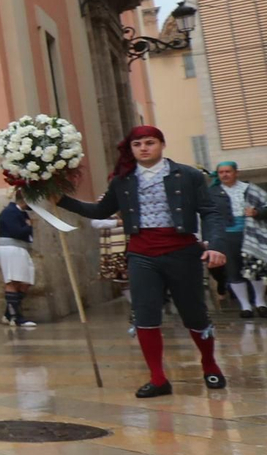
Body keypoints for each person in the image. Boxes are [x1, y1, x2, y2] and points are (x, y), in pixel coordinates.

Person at [55, 125, 230, 397]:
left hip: (182, 250)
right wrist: (61, 200)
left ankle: (210, 364)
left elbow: (209, 212)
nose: (144, 148)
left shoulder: (188, 175)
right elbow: (100, 210)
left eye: (150, 142)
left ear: (162, 144)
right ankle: (158, 378)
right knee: (145, 314)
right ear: (132, 149)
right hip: (141, 252)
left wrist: (216, 245)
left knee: (193, 312)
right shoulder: (123, 180)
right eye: (138, 144)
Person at [211, 162, 266, 318]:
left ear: (237, 173)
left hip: (251, 234)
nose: (225, 175)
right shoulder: (213, 192)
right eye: (221, 172)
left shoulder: (250, 189)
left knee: (255, 269)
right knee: (233, 270)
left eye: (228, 171)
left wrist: (257, 211)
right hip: (226, 236)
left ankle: (261, 302)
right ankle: (245, 305)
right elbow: (208, 217)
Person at [0, 196, 40, 328]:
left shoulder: (21, 213)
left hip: (20, 248)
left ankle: (8, 314)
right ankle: (16, 317)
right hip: (11, 248)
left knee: (25, 282)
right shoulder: (10, 212)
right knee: (12, 280)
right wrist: (28, 227)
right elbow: (16, 231)